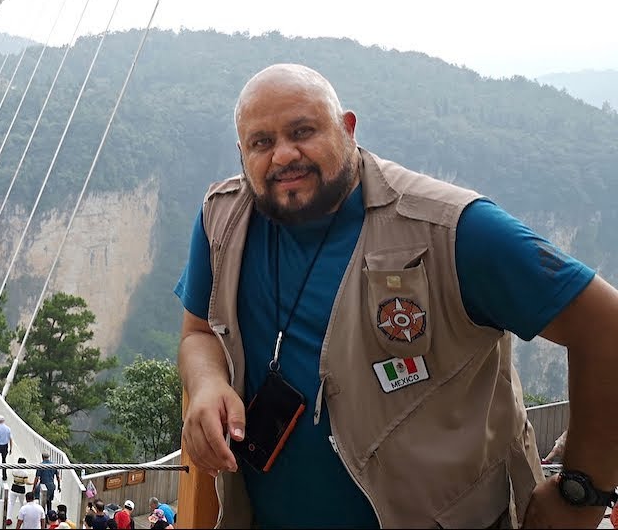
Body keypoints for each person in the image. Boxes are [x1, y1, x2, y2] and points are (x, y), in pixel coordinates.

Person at [175, 64, 618, 527]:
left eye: (303, 131)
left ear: (347, 128)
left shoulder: (451, 229)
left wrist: (580, 491)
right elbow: (198, 332)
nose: (284, 155)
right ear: (242, 153)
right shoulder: (222, 221)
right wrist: (208, 383)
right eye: (261, 142)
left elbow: (607, 330)